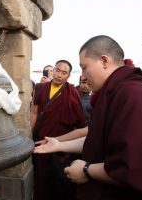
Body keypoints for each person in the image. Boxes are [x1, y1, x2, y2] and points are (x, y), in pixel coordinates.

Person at [34, 35, 142, 200]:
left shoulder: (133, 94)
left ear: (104, 61)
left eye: (84, 67)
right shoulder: (116, 91)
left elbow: (138, 167)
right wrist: (59, 144)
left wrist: (86, 169)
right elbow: (100, 139)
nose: (83, 76)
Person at [30, 60, 86, 200]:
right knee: (41, 178)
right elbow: (34, 112)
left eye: (64, 72)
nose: (59, 75)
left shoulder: (72, 92)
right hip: (41, 140)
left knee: (57, 179)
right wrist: (29, 135)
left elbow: (79, 122)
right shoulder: (40, 87)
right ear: (53, 70)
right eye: (57, 70)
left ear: (68, 76)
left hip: (61, 144)